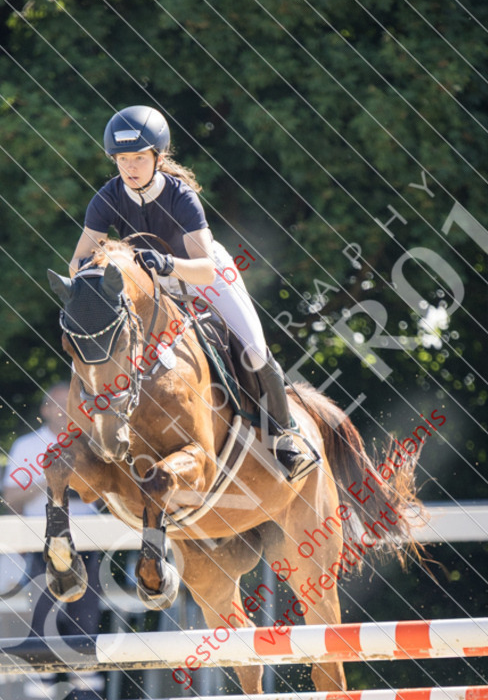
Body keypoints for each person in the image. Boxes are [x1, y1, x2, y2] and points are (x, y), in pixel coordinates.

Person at [69, 104, 319, 483]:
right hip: (151, 286)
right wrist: (96, 278)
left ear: (158, 156)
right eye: (122, 159)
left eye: (138, 157)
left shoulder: (180, 195)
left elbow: (204, 269)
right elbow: (77, 262)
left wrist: (167, 265)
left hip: (203, 275)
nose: (130, 167)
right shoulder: (107, 197)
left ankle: (285, 436)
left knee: (252, 349)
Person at [1, 383, 104, 700]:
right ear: (44, 409)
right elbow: (10, 500)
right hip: (41, 542)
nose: (63, 413)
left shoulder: (92, 443)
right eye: (57, 406)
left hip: (86, 542)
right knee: (42, 617)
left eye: (69, 406)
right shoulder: (26, 446)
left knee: (85, 619)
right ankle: (40, 699)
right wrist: (48, 480)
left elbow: (108, 496)